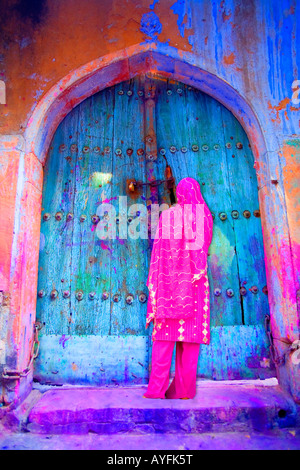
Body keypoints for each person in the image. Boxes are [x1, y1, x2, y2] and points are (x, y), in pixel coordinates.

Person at [143, 177, 213, 399]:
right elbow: (203, 246)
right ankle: (184, 391)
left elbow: (160, 251)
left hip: (169, 285)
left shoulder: (168, 215)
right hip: (195, 284)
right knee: (190, 340)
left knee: (164, 338)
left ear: (179, 194)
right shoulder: (204, 216)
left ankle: (156, 391)